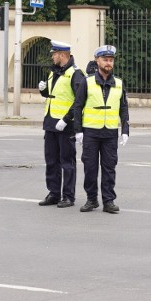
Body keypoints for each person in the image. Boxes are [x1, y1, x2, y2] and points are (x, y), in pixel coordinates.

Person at [74, 45, 129, 214]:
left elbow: (123, 108)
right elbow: (78, 106)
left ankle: (108, 201)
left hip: (110, 132)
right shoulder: (87, 82)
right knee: (90, 168)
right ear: (97, 61)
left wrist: (125, 130)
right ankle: (91, 199)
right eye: (105, 60)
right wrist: (78, 131)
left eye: (111, 60)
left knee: (109, 168)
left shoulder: (118, 83)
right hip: (91, 132)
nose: (108, 63)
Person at [37, 40, 86, 208]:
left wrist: (65, 120)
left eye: (54, 54)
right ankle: (54, 193)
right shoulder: (54, 72)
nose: (52, 56)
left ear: (63, 55)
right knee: (51, 160)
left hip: (66, 126)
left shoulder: (75, 74)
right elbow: (53, 96)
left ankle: (68, 196)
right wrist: (43, 90)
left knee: (67, 162)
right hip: (51, 123)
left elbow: (80, 101)